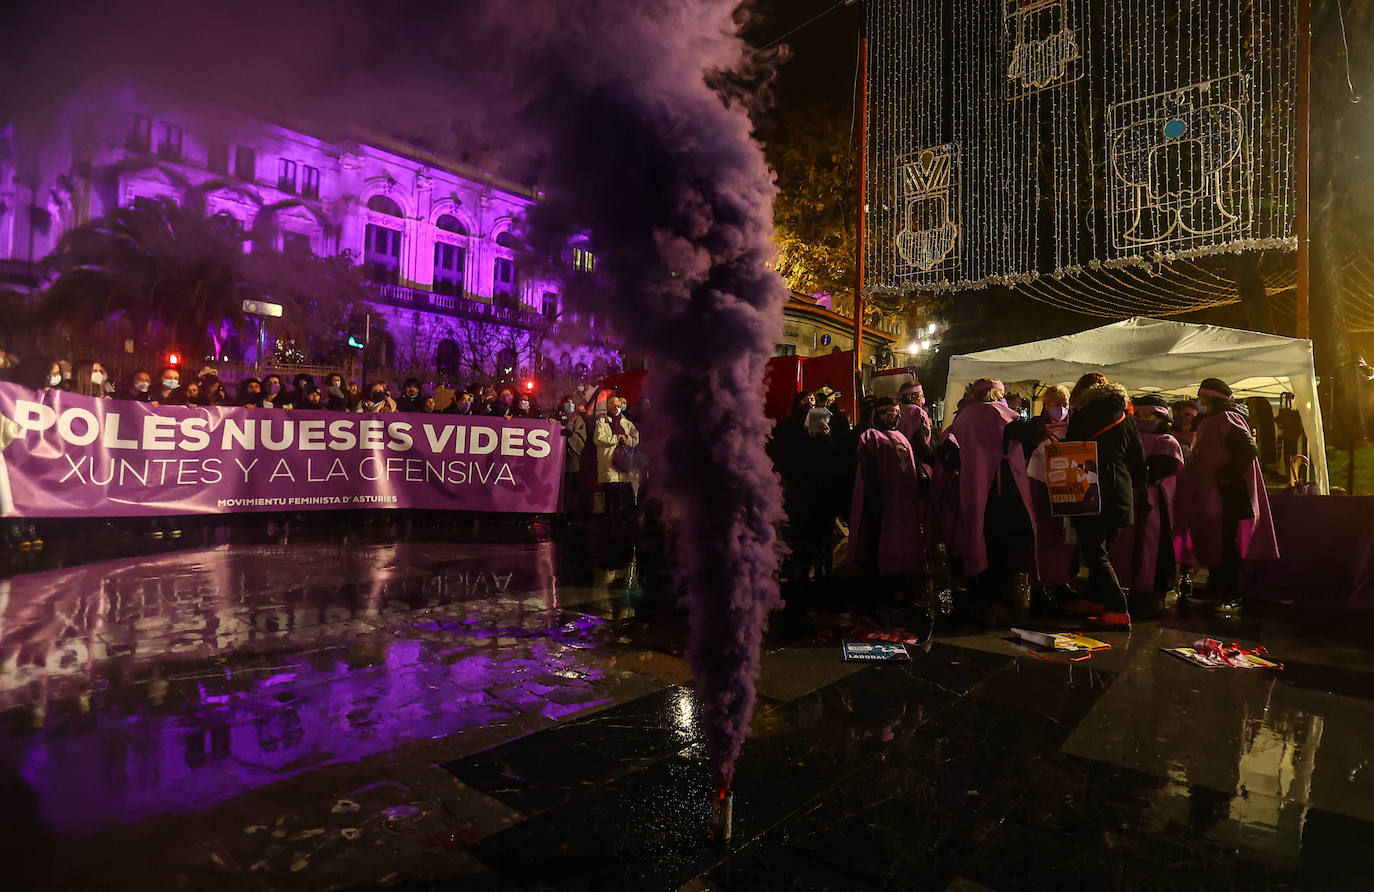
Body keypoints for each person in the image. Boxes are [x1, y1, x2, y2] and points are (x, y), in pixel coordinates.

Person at [1174, 378, 1278, 613]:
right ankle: (1216, 588)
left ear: (1211, 399)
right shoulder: (1212, 420)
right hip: (1213, 494)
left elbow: (1248, 450)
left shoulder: (1228, 418)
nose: (1199, 402)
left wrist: (1226, 475)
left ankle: (1231, 594)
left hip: (1228, 495)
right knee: (1215, 542)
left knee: (1228, 544)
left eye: (1203, 398)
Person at [942, 378, 1039, 608]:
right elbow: (1029, 433)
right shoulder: (1000, 414)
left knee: (977, 534)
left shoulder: (963, 415)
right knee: (1001, 544)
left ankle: (981, 590)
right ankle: (997, 596)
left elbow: (947, 445)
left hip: (973, 483)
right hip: (1001, 488)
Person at [1061, 373, 1147, 629]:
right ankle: (1095, 599)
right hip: (1121, 492)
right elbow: (1138, 459)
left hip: (1091, 491)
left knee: (1094, 552)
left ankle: (1117, 609)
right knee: (1102, 549)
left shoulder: (1083, 417)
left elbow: (1070, 451)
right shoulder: (1125, 417)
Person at [1110, 396, 1184, 611]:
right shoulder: (1129, 437)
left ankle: (1152, 595)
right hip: (1129, 499)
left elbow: (1153, 472)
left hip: (1154, 505)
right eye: (1139, 415)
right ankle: (1130, 589)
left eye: (1148, 416)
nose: (1142, 420)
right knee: (1127, 548)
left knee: (1151, 548)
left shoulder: (1166, 442)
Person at [849, 397, 924, 601]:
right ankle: (878, 588)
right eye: (888, 412)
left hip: (904, 501)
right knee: (879, 542)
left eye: (896, 411)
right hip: (884, 498)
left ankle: (901, 581)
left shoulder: (902, 436)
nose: (894, 415)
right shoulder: (870, 436)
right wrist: (874, 499)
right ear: (878, 414)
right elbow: (868, 471)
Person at [1026, 385, 1074, 609]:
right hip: (1040, 484)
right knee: (1042, 538)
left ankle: (1060, 582)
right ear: (1045, 405)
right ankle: (1038, 586)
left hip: (1065, 484)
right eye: (1056, 403)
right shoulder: (1035, 426)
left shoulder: (1075, 426)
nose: (1061, 408)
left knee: (1063, 537)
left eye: (1064, 403)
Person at [594, 396, 640, 527]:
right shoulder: (601, 422)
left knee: (622, 494)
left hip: (623, 464)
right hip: (608, 462)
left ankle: (620, 520)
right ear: (608, 406)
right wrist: (616, 438)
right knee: (610, 494)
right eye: (614, 405)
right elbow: (598, 438)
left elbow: (635, 440)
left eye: (619, 405)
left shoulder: (627, 422)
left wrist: (625, 439)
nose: (617, 408)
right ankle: (610, 521)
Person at [555, 395, 588, 516]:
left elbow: (582, 438)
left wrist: (571, 435)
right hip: (557, 456)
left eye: (572, 402)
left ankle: (569, 510)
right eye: (567, 402)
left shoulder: (577, 419)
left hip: (571, 457)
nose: (569, 404)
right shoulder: (557, 416)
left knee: (570, 484)